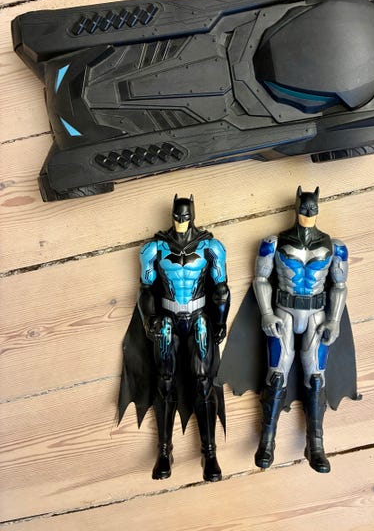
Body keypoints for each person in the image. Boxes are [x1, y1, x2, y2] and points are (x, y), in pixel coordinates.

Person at [118, 195, 230, 482]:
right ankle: (165, 451)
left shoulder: (210, 247)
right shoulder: (155, 248)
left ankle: (210, 453)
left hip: (199, 318)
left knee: (203, 381)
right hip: (167, 318)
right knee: (164, 381)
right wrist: (149, 319)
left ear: (192, 215)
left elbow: (221, 289)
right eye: (177, 217)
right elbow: (145, 289)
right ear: (172, 215)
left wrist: (220, 320)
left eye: (185, 217)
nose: (181, 222)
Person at [253, 186, 349, 473]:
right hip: (283, 311)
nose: (308, 212)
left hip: (316, 314)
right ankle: (266, 441)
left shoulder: (335, 246)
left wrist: (335, 319)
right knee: (276, 374)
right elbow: (261, 279)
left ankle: (315, 445)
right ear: (296, 206)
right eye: (304, 207)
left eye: (312, 208)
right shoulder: (274, 242)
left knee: (316, 378)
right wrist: (266, 312)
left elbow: (340, 285)